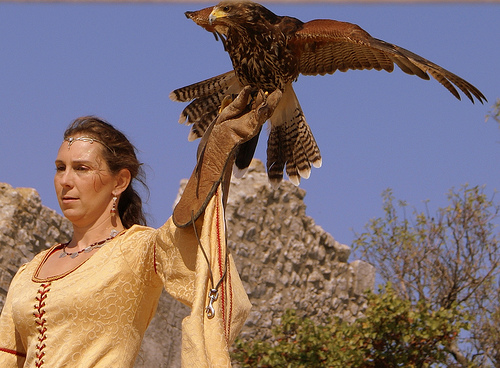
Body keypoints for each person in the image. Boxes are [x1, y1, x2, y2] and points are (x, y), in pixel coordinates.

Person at [0, 87, 282, 368]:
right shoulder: (28, 272)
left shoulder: (140, 250)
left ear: (120, 182)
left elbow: (192, 235)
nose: (65, 180)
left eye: (82, 168)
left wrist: (214, 156)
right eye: (61, 167)